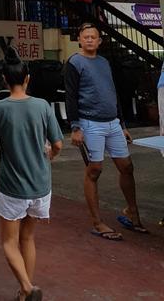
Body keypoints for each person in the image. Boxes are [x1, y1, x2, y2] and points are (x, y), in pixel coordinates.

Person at [0, 47, 63, 301]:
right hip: (40, 185)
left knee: (9, 242)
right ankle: (24, 291)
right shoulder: (42, 106)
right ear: (27, 78)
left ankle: (27, 288)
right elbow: (58, 144)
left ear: (4, 80)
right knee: (28, 238)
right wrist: (49, 156)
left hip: (12, 187)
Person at [64, 23, 146, 240]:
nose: (90, 40)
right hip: (89, 123)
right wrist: (75, 127)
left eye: (94, 37)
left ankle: (132, 214)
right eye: (86, 37)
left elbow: (113, 93)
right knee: (94, 170)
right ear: (79, 40)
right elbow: (70, 96)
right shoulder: (74, 62)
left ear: (99, 41)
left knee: (127, 167)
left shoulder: (104, 62)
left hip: (113, 122)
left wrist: (123, 125)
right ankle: (97, 222)